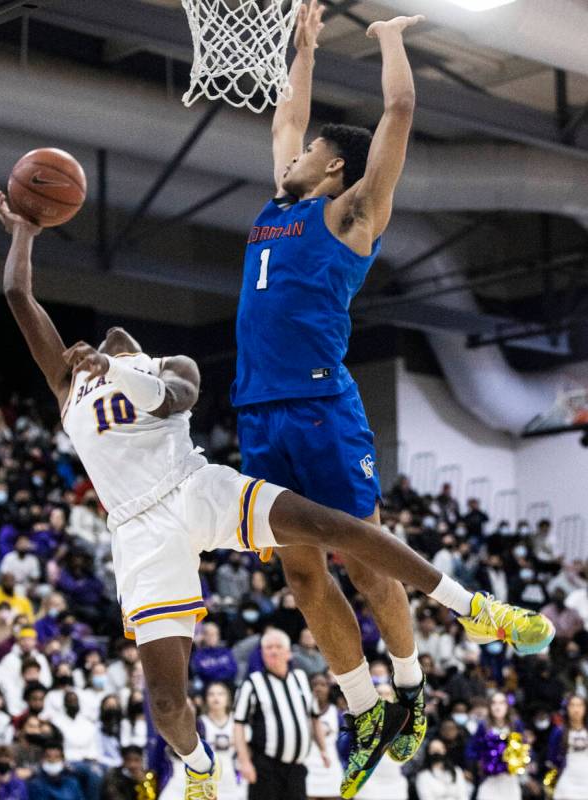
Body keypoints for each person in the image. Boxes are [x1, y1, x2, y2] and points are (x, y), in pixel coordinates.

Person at [0, 189, 554, 800]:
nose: (111, 336)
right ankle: (200, 769)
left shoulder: (168, 363)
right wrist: (25, 230)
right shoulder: (68, 380)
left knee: (338, 527)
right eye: (105, 346)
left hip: (193, 486)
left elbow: (175, 400)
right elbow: (19, 296)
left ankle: (473, 608)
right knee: (165, 699)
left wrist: (118, 369)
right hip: (136, 531)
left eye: (119, 345)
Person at [230, 4, 430, 792]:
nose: (293, 151)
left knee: (368, 563)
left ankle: (408, 687)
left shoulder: (352, 214)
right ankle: (362, 706)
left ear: (333, 168)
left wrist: (388, 40)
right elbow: (286, 113)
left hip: (319, 408)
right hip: (258, 411)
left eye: (309, 150)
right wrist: (304, 50)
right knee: (302, 577)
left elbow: (399, 110)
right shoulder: (278, 206)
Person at [233, 629, 327, 800]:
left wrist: (323, 749)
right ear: (262, 654)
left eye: (278, 647)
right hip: (266, 768)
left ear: (289, 653)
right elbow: (238, 724)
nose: (273, 651)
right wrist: (244, 762)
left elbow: (315, 717)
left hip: (297, 769)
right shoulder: (252, 684)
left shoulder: (301, 678)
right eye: (268, 648)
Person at [200, 683, 246, 800]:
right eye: (211, 694)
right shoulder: (200, 723)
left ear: (228, 698)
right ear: (206, 699)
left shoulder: (237, 721)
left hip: (236, 778)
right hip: (208, 780)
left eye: (220, 694)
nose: (216, 698)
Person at [305, 673, 343, 800]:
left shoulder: (337, 712)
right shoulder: (302, 711)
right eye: (314, 685)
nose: (318, 688)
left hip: (330, 764)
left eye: (323, 685)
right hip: (308, 765)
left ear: (329, 688)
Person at [548, 694, 588, 800]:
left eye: (579, 705)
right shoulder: (559, 731)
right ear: (567, 708)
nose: (576, 709)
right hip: (567, 781)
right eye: (572, 705)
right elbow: (552, 757)